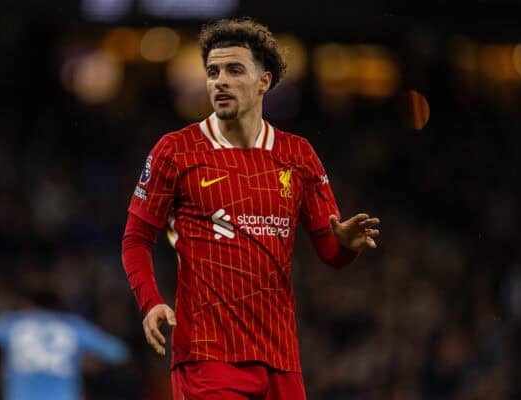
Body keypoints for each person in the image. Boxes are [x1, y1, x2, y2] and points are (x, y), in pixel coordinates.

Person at [121, 17, 380, 399]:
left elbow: (330, 253)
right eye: (212, 71)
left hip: (281, 360)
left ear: (265, 80)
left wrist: (344, 243)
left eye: (234, 70)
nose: (219, 80)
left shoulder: (298, 155)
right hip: (207, 358)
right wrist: (151, 302)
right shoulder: (176, 151)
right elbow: (135, 240)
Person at [0, 283, 130, 400]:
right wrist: (87, 360)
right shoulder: (74, 326)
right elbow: (119, 352)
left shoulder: (16, 324)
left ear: (29, 304)